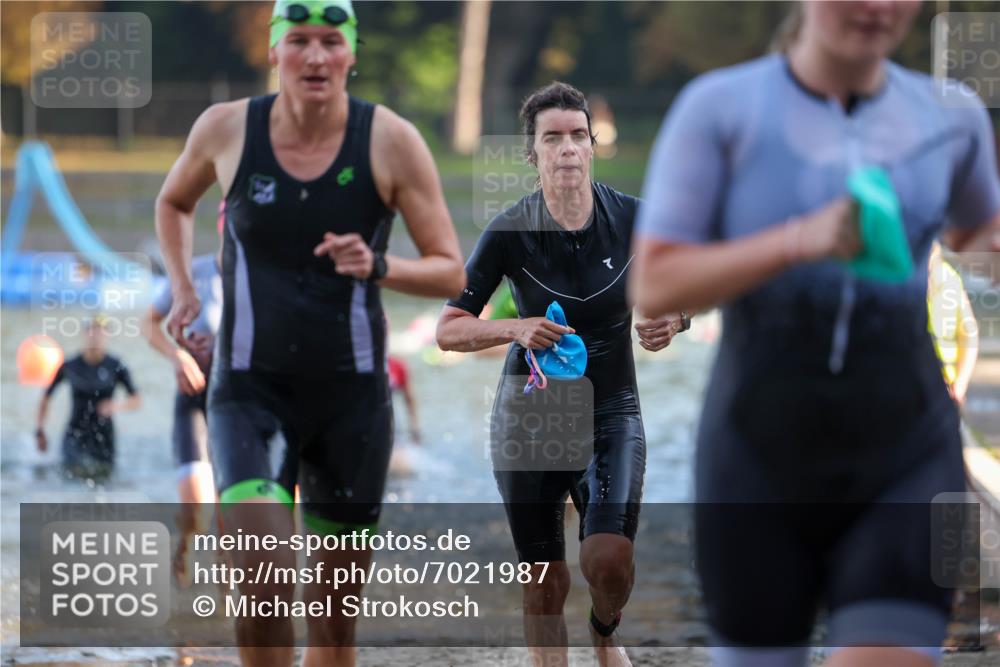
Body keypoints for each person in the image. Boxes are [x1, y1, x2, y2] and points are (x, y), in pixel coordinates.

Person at [630, 2, 1000, 667]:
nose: (877, 7)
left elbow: (978, 237)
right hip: (757, 461)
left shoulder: (953, 117)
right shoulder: (719, 109)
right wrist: (801, 239)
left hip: (907, 454)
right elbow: (654, 283)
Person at [154, 0, 464, 664]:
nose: (316, 56)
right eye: (299, 41)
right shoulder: (227, 129)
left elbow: (449, 272)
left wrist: (379, 263)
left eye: (331, 40)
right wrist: (182, 287)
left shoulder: (391, 140)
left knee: (332, 627)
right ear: (273, 52)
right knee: (263, 584)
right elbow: (174, 200)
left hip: (351, 406)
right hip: (248, 395)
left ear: (353, 53)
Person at [436, 82, 686, 667]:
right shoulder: (509, 230)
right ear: (534, 154)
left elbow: (692, 282)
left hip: (611, 411)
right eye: (553, 138)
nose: (568, 148)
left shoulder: (634, 220)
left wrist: (677, 317)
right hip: (530, 418)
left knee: (607, 561)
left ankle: (605, 628)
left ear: (592, 146)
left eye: (578, 136)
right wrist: (514, 329)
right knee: (545, 584)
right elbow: (448, 328)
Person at [141, 204, 225, 578]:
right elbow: (148, 322)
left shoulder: (269, 279)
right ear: (226, 227)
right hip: (194, 400)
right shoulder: (197, 273)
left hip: (242, 404)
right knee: (198, 508)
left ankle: (229, 610)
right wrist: (178, 357)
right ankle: (186, 545)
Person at [35, 317, 141, 481]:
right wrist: (40, 430)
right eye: (92, 330)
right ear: (85, 333)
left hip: (104, 436)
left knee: (104, 479)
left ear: (107, 335)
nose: (95, 335)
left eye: (100, 331)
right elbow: (46, 397)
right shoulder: (70, 365)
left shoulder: (116, 365)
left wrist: (115, 406)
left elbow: (136, 399)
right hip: (75, 434)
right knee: (72, 477)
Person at [927, 240, 979, 407]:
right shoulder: (949, 277)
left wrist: (960, 383)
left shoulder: (949, 279)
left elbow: (969, 334)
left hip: (945, 386)